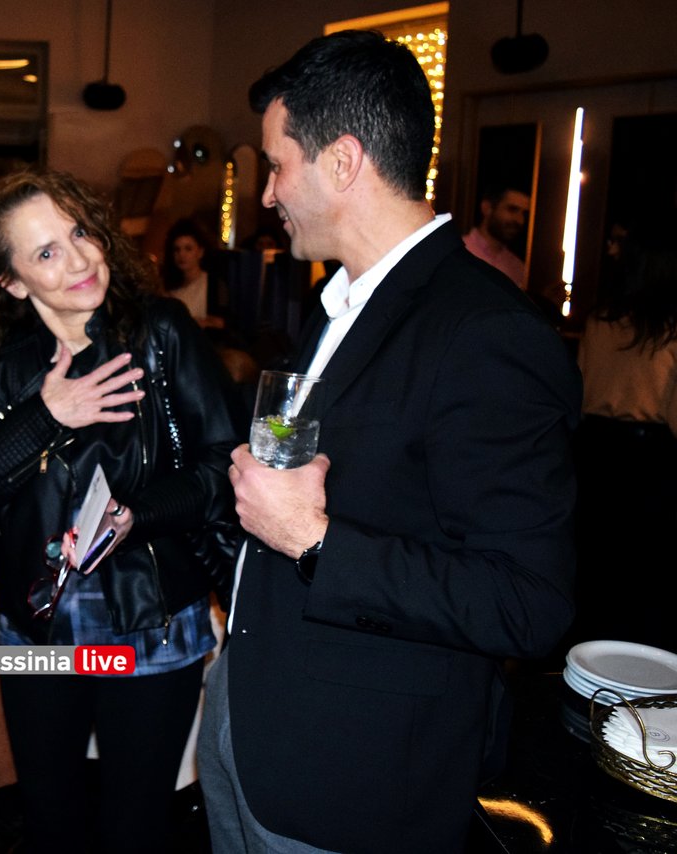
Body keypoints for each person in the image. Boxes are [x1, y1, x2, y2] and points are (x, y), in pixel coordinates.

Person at [199, 30, 579, 854]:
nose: (267, 193)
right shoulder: (343, 301)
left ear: (342, 161)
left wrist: (314, 540)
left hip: (349, 777)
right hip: (252, 718)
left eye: (277, 166)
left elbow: (527, 604)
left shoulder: (486, 331)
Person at [0, 170, 236, 854]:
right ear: (11, 282)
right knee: (51, 820)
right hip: (37, 636)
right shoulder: (4, 366)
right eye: (45, 253)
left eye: (79, 232)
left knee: (136, 827)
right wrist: (44, 416)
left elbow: (225, 463)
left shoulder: (159, 331)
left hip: (149, 628)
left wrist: (137, 515)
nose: (77, 260)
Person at [572, 211, 677, 650]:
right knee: (642, 585)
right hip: (648, 461)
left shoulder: (600, 319)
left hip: (593, 453)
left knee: (592, 574)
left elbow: (578, 392)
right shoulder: (670, 329)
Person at [160, 217, 225, 329]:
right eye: (177, 249)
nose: (182, 255)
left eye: (188, 249)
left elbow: (220, 323)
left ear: (200, 252)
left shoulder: (211, 284)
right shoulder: (170, 287)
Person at [462, 182, 530, 288]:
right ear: (487, 208)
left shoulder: (518, 269)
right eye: (512, 209)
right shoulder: (458, 251)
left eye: (524, 214)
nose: (519, 220)